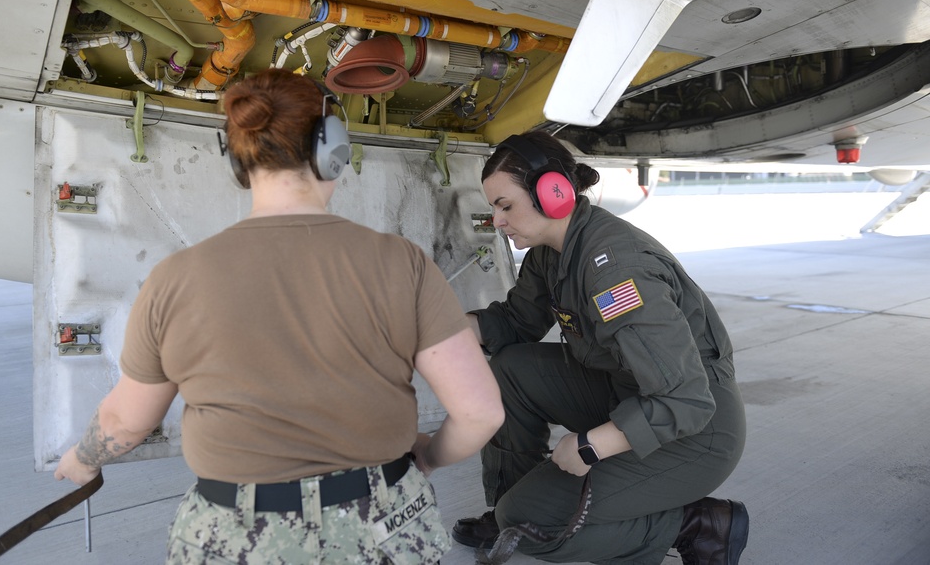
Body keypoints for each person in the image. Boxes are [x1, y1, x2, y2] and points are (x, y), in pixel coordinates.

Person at [55, 68, 505, 564]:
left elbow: (124, 422)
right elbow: (480, 413)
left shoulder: (174, 279)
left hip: (236, 534)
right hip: (384, 527)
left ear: (237, 161)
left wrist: (83, 460)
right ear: (331, 148)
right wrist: (427, 457)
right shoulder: (403, 262)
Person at [451, 131, 748, 565]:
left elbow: (684, 399)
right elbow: (515, 324)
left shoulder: (615, 270)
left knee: (534, 524)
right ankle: (510, 511)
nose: (497, 221)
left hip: (694, 431)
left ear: (553, 194)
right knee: (511, 368)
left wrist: (592, 445)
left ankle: (695, 525)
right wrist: (439, 330)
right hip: (628, 393)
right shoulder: (551, 251)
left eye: (505, 206)